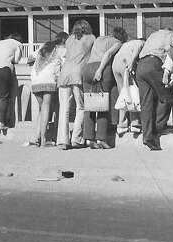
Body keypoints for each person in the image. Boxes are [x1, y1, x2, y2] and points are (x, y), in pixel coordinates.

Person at [135, 28, 173, 151]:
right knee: (166, 95)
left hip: (141, 66)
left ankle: (147, 137)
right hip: (153, 63)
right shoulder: (170, 34)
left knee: (146, 104)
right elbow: (169, 49)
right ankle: (158, 128)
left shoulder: (152, 35)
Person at [82, 27, 125, 149]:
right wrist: (100, 70)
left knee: (89, 104)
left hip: (87, 68)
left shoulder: (99, 38)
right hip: (101, 68)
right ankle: (101, 139)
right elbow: (108, 54)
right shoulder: (118, 43)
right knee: (102, 105)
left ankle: (89, 138)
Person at [57, 20, 95, 150]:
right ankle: (76, 139)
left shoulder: (69, 39)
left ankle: (63, 140)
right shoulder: (91, 38)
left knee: (64, 108)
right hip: (78, 73)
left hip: (64, 74)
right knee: (80, 107)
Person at [30, 38, 63, 147]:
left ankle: (36, 137)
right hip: (48, 80)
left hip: (35, 80)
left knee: (41, 110)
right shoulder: (59, 50)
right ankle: (44, 139)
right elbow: (59, 68)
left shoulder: (40, 49)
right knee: (46, 108)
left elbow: (30, 59)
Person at [111, 37, 144, 135]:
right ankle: (135, 123)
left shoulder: (127, 44)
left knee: (123, 95)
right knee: (131, 93)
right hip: (126, 62)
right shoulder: (141, 43)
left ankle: (121, 125)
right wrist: (132, 63)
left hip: (115, 64)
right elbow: (137, 50)